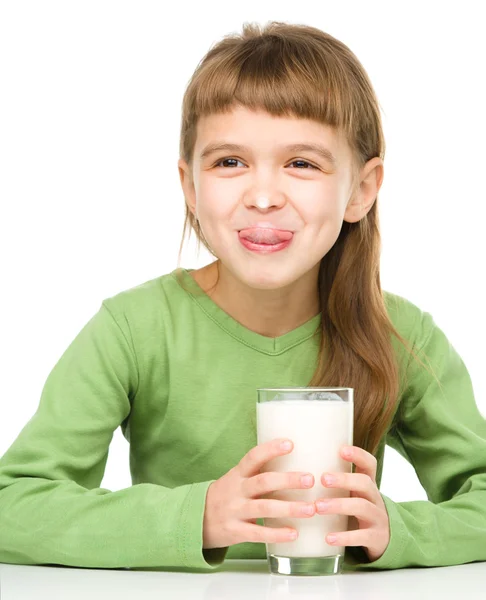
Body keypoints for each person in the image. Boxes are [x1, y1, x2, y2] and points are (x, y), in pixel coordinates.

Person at [0, 20, 485, 573]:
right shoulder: (134, 328)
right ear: (191, 187)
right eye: (229, 162)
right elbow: (12, 505)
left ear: (362, 190)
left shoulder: (400, 335)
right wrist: (198, 516)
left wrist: (398, 531)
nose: (261, 196)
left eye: (302, 163)